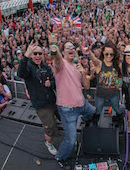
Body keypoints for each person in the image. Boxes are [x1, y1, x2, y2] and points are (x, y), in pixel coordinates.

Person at [51, 39, 95, 168]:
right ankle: (60, 157)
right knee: (70, 141)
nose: (71, 49)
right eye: (68, 48)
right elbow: (57, 58)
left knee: (92, 112)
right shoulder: (61, 64)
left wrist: (83, 74)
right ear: (64, 52)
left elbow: (86, 86)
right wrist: (54, 47)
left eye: (72, 47)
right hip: (68, 110)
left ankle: (86, 120)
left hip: (82, 104)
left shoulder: (78, 66)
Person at [18, 41, 59, 156]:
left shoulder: (46, 66)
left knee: (59, 117)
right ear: (31, 55)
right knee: (49, 126)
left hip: (52, 100)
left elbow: (54, 82)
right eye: (35, 53)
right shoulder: (28, 66)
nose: (37, 56)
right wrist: (25, 55)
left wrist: (50, 84)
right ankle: (48, 143)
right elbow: (20, 73)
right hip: (41, 104)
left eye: (40, 53)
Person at [88, 40, 123, 124]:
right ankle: (94, 125)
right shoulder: (99, 64)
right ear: (103, 53)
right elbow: (93, 58)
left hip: (113, 94)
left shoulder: (117, 64)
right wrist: (88, 52)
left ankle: (120, 120)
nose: (109, 56)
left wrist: (119, 83)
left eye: (111, 54)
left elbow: (120, 75)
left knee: (117, 109)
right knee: (98, 111)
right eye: (107, 54)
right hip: (100, 94)